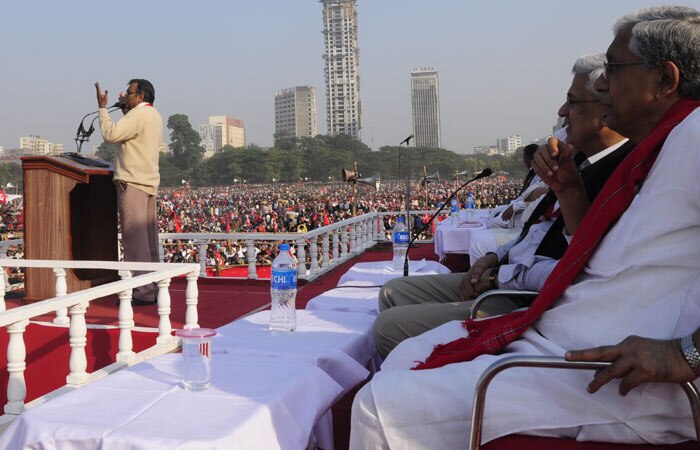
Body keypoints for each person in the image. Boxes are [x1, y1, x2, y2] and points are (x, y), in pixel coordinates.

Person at [351, 6, 700, 448]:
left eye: (613, 69)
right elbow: (612, 261)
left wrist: (687, 352)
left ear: (665, 81)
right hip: (571, 341)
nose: (602, 85)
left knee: (379, 405)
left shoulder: (694, 134)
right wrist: (570, 193)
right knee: (405, 355)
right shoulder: (659, 146)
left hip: (619, 380)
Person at [373, 53, 632, 359]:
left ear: (605, 110)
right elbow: (537, 230)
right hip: (509, 273)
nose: (562, 112)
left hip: (528, 298)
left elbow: (579, 268)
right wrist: (492, 259)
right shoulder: (579, 162)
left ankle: (416, 390)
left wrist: (498, 278)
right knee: (393, 292)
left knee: (388, 326)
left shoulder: (621, 173)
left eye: (572, 102)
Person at [96, 79, 163, 305]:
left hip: (133, 182)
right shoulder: (153, 115)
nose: (126, 96)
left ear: (141, 96)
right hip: (148, 182)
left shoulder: (138, 115)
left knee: (135, 241)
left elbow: (111, 134)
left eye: (130, 93)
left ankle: (143, 292)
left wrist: (103, 109)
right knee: (149, 241)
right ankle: (153, 288)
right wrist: (126, 110)